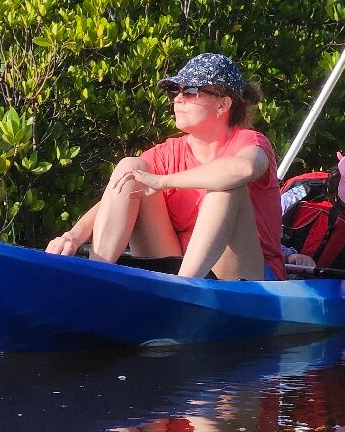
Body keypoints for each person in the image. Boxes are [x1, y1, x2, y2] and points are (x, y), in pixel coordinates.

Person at [45, 53, 285, 281]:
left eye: (190, 91)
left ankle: (182, 289)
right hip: (179, 263)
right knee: (131, 169)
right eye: (175, 91)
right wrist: (74, 236)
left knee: (226, 187)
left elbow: (244, 169)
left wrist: (164, 181)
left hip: (250, 278)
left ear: (223, 105)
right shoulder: (168, 152)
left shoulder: (250, 142)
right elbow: (118, 191)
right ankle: (96, 277)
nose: (178, 99)